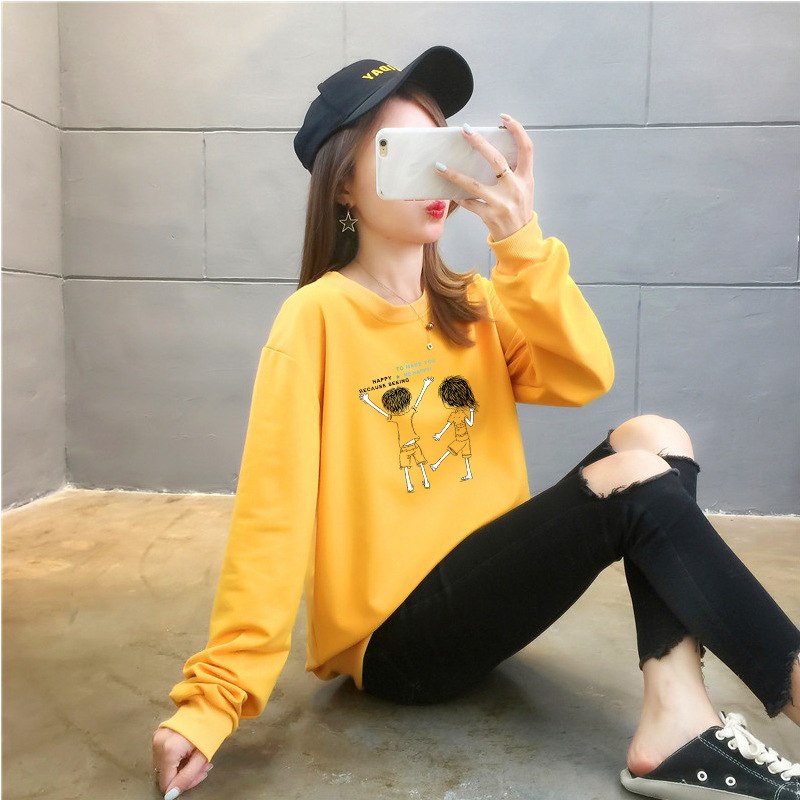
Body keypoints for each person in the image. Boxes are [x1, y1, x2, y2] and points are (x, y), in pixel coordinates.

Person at [152, 46, 800, 800]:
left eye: (442, 147)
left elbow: (582, 376)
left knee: (657, 438)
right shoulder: (317, 318)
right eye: (402, 152)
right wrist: (212, 702)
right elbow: (273, 514)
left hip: (483, 598)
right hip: (397, 644)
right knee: (632, 480)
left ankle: (675, 713)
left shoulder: (473, 302)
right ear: (344, 186)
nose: (435, 175)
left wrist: (521, 246)